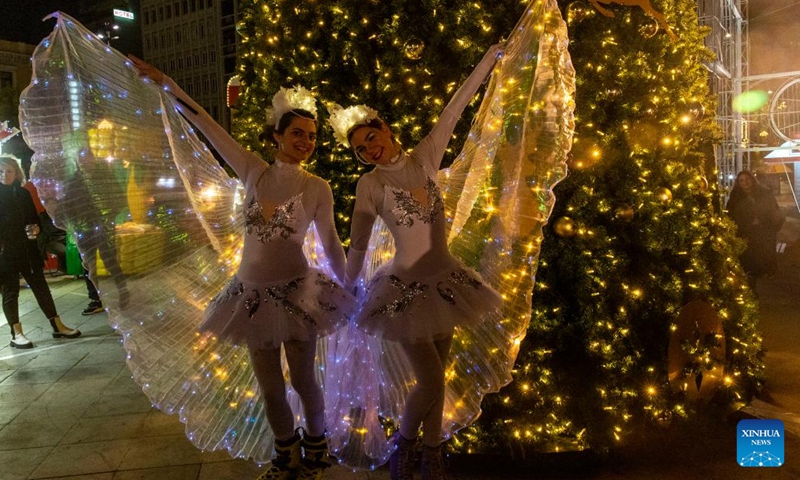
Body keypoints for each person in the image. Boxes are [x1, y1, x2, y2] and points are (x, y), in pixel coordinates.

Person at [129, 56, 355, 480]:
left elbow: (331, 244)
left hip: (300, 295)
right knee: (271, 388)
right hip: (251, 297)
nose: (305, 141)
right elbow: (207, 127)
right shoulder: (252, 170)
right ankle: (285, 457)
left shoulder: (316, 187)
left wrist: (349, 287)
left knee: (305, 382)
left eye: (311, 136)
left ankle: (317, 451)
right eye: (297, 134)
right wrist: (169, 85)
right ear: (277, 137)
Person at [328, 43, 504, 480]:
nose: (369, 149)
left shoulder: (426, 157)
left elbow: (456, 107)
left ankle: (431, 455)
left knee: (437, 376)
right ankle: (403, 449)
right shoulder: (369, 187)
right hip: (403, 293)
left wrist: (491, 58)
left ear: (385, 130)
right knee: (428, 379)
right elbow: (359, 246)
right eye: (360, 149)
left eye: (371, 138)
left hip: (446, 284)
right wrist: (346, 290)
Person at [0, 154, 80, 349]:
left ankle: (56, 324)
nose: (4, 174)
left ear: (16, 173)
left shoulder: (23, 194)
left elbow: (34, 219)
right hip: (5, 252)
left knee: (41, 287)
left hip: (27, 249)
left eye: (8, 171)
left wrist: (35, 228)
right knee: (10, 292)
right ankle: (16, 332)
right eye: (1, 171)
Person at [726, 170, 785, 290]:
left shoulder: (765, 193)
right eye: (741, 181)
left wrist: (771, 225)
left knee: (764, 257)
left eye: (747, 179)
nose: (745, 183)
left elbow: (775, 212)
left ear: (752, 180)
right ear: (738, 183)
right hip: (745, 233)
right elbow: (731, 215)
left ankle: (767, 280)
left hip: (764, 232)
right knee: (749, 261)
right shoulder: (736, 197)